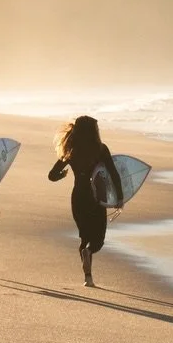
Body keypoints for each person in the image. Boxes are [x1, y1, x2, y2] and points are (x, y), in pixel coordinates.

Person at [47, 115, 124, 287]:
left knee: (84, 236)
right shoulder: (101, 149)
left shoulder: (70, 150)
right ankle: (90, 252)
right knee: (98, 239)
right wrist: (119, 197)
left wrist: (63, 175)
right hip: (96, 198)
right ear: (93, 131)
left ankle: (88, 278)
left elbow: (51, 176)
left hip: (78, 196)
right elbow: (113, 174)